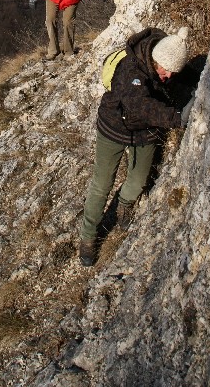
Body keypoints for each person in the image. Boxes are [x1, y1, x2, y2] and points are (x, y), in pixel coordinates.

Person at [79, 26, 191, 266]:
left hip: (145, 132)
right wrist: (178, 118)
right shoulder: (130, 70)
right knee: (102, 184)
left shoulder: (165, 62)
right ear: (155, 60)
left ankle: (125, 204)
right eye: (166, 71)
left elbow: (177, 82)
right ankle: (88, 237)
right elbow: (140, 106)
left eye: (173, 72)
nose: (168, 76)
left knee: (138, 179)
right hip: (113, 127)